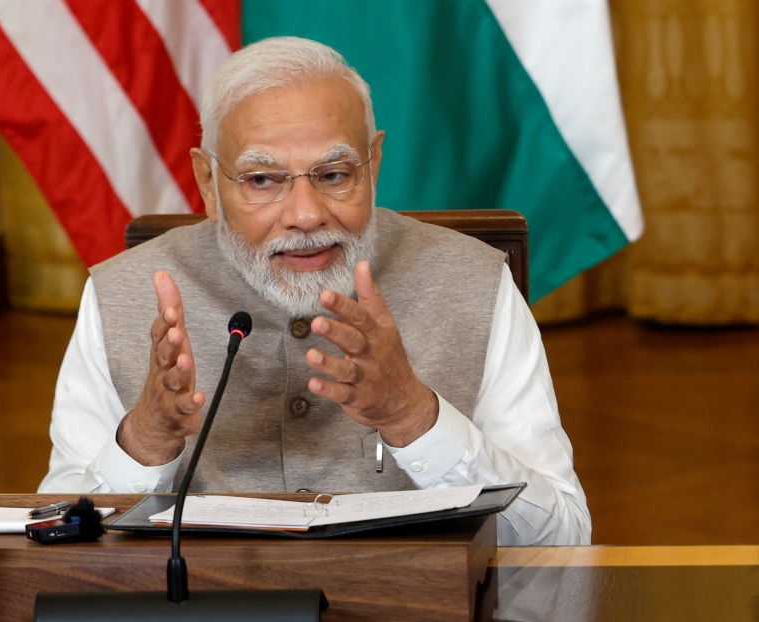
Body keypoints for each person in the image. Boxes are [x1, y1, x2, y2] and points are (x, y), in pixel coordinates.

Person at [38, 37, 591, 546]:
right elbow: (54, 538)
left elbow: (562, 540)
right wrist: (145, 440)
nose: (305, 215)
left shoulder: (472, 281)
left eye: (332, 174)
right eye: (262, 180)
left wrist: (413, 417)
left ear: (372, 164)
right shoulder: (121, 293)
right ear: (208, 182)